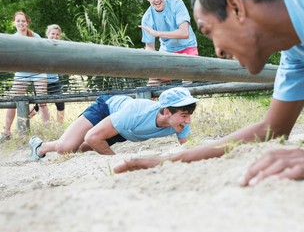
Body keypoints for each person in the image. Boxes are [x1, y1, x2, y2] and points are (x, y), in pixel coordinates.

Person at [113, 0, 304, 185]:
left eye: (208, 30)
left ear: (236, 6)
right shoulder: (295, 50)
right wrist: (173, 158)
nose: (218, 50)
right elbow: (271, 129)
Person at [28, 87, 198, 161]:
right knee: (66, 148)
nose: (188, 121)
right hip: (107, 109)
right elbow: (93, 137)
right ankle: (40, 148)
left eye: (189, 115)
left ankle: (40, 146)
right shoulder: (136, 111)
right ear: (167, 111)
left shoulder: (182, 123)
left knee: (79, 148)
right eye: (184, 115)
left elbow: (188, 149)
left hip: (123, 131)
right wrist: (117, 162)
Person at [0, 11, 49, 142]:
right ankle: (6, 132)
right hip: (21, 74)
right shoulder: (13, 38)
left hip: (38, 72)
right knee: (13, 102)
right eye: (18, 21)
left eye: (23, 21)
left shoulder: (35, 36)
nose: (21, 23)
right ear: (14, 23)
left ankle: (47, 130)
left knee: (42, 102)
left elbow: (43, 53)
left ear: (27, 22)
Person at [139, 0, 198, 86]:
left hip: (187, 48)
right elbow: (150, 48)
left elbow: (184, 33)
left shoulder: (177, 3)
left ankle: (187, 97)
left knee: (187, 77)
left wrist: (157, 33)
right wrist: (153, 69)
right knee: (152, 81)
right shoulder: (147, 18)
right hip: (166, 51)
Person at [29, 24, 66, 125]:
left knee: (60, 102)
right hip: (41, 81)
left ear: (60, 36)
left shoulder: (61, 47)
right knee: (38, 106)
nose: (55, 36)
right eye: (52, 33)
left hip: (54, 81)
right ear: (47, 34)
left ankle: (59, 127)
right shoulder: (42, 45)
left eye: (57, 34)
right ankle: (24, 120)